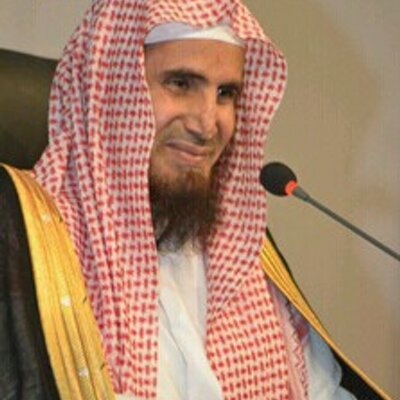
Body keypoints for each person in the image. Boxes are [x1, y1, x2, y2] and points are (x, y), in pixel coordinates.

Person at [0, 0, 389, 399]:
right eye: (181, 84)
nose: (207, 124)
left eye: (226, 93)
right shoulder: (24, 242)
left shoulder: (243, 255)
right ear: (112, 90)